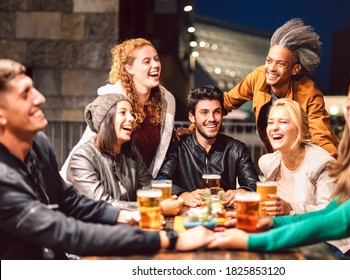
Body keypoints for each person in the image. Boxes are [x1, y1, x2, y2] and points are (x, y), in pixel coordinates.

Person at [0, 59, 213, 259]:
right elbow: (63, 231)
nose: (40, 98)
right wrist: (167, 238)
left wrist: (119, 215)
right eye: (25, 93)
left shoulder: (39, 144)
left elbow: (68, 200)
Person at [208, 73, 350, 260]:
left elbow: (343, 219)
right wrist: (272, 223)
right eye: (349, 99)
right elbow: (331, 212)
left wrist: (250, 241)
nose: (349, 105)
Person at [180, 18, 338, 157]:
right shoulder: (259, 76)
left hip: (305, 157)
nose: (271, 68)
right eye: (269, 60)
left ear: (295, 69)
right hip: (276, 156)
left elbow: (321, 135)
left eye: (281, 63)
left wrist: (332, 160)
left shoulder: (309, 93)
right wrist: (193, 128)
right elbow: (226, 102)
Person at [60, 38, 175, 180]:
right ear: (129, 68)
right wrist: (63, 183)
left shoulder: (167, 101)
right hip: (108, 184)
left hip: (142, 184)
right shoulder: (113, 99)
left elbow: (162, 148)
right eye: (147, 61)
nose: (155, 65)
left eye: (156, 59)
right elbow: (88, 143)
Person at [258, 98, 350, 257]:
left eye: (283, 122)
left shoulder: (321, 163)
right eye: (270, 122)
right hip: (296, 235)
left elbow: (329, 215)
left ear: (299, 130)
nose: (274, 128)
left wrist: (290, 209)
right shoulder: (269, 162)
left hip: (332, 244)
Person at [65, 94, 183, 215]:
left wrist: (171, 198)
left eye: (132, 113)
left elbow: (148, 187)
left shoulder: (131, 152)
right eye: (123, 112)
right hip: (91, 229)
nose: (132, 118)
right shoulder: (82, 157)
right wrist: (155, 206)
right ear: (106, 120)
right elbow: (101, 204)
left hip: (125, 225)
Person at [157, 86, 259, 207]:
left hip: (223, 218)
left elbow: (254, 185)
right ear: (191, 116)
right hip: (187, 217)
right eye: (204, 112)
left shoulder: (236, 149)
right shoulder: (178, 147)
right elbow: (161, 181)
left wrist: (242, 192)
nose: (212, 119)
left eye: (217, 112)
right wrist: (183, 195)